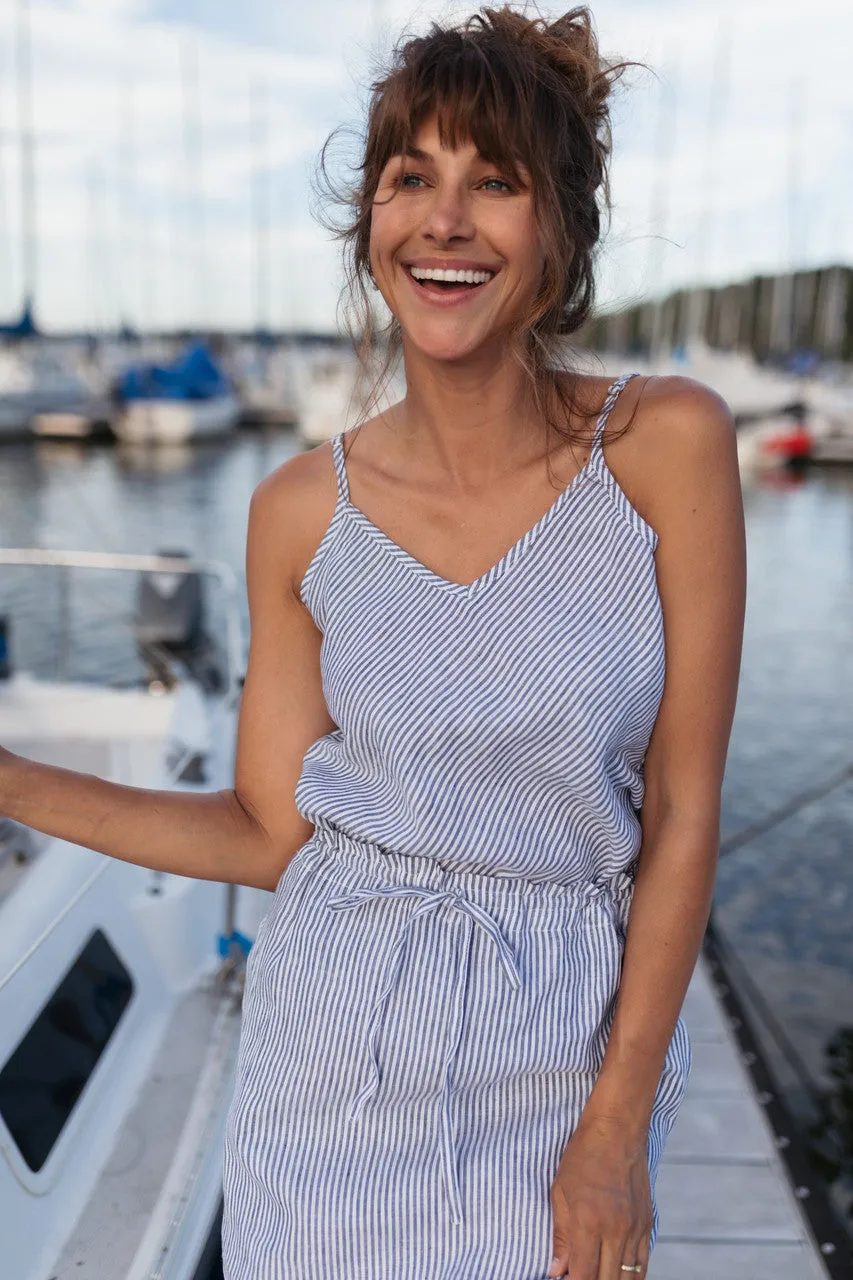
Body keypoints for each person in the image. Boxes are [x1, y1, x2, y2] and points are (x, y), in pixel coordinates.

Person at [0, 6, 746, 1278]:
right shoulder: (298, 510)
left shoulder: (666, 443)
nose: (445, 220)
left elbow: (682, 809)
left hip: (568, 1044)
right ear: (371, 229)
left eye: (494, 182)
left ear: (558, 229)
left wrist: (613, 1129)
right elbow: (266, 829)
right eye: (413, 179)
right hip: (330, 1046)